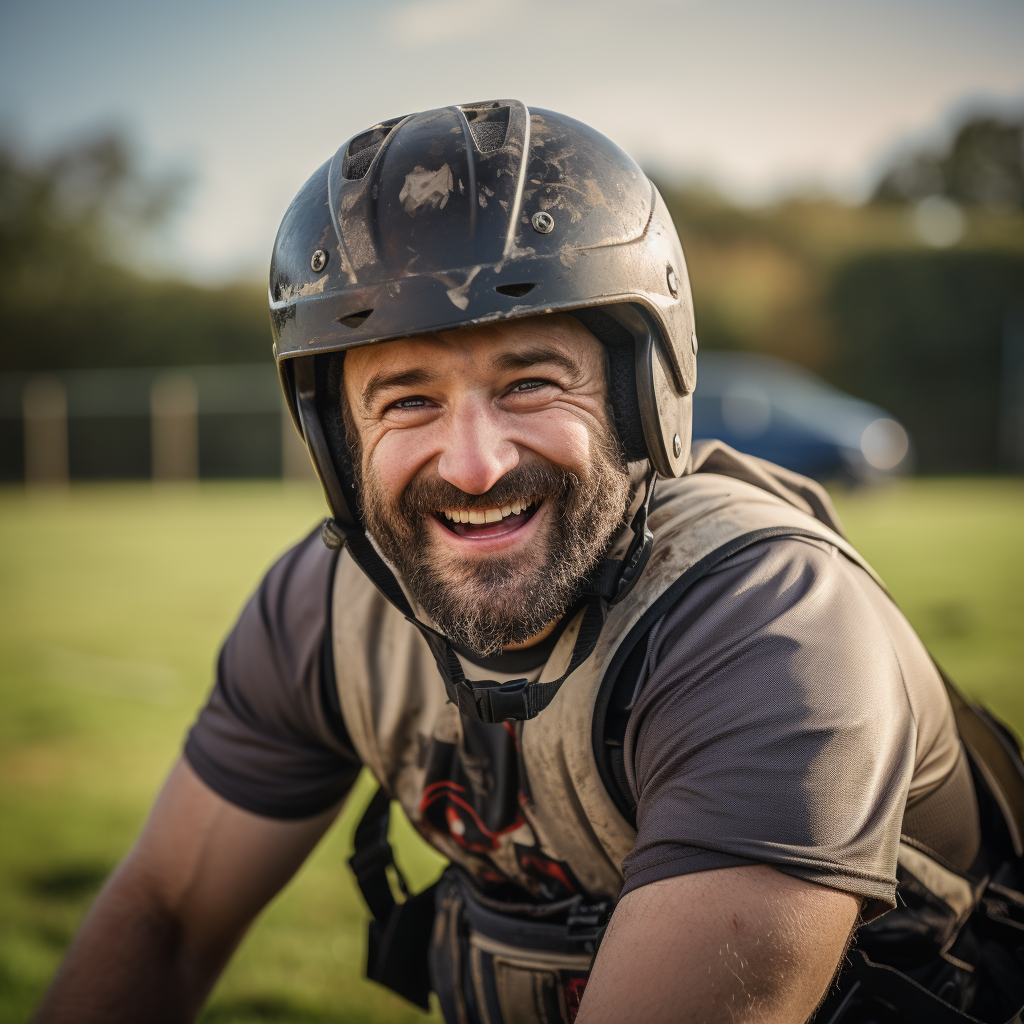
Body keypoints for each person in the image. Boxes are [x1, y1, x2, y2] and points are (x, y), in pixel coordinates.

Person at [34, 101, 1024, 1024]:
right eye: (407, 399)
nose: (474, 464)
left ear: (643, 396)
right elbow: (164, 915)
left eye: (531, 381)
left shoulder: (771, 627)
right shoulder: (324, 610)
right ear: (336, 443)